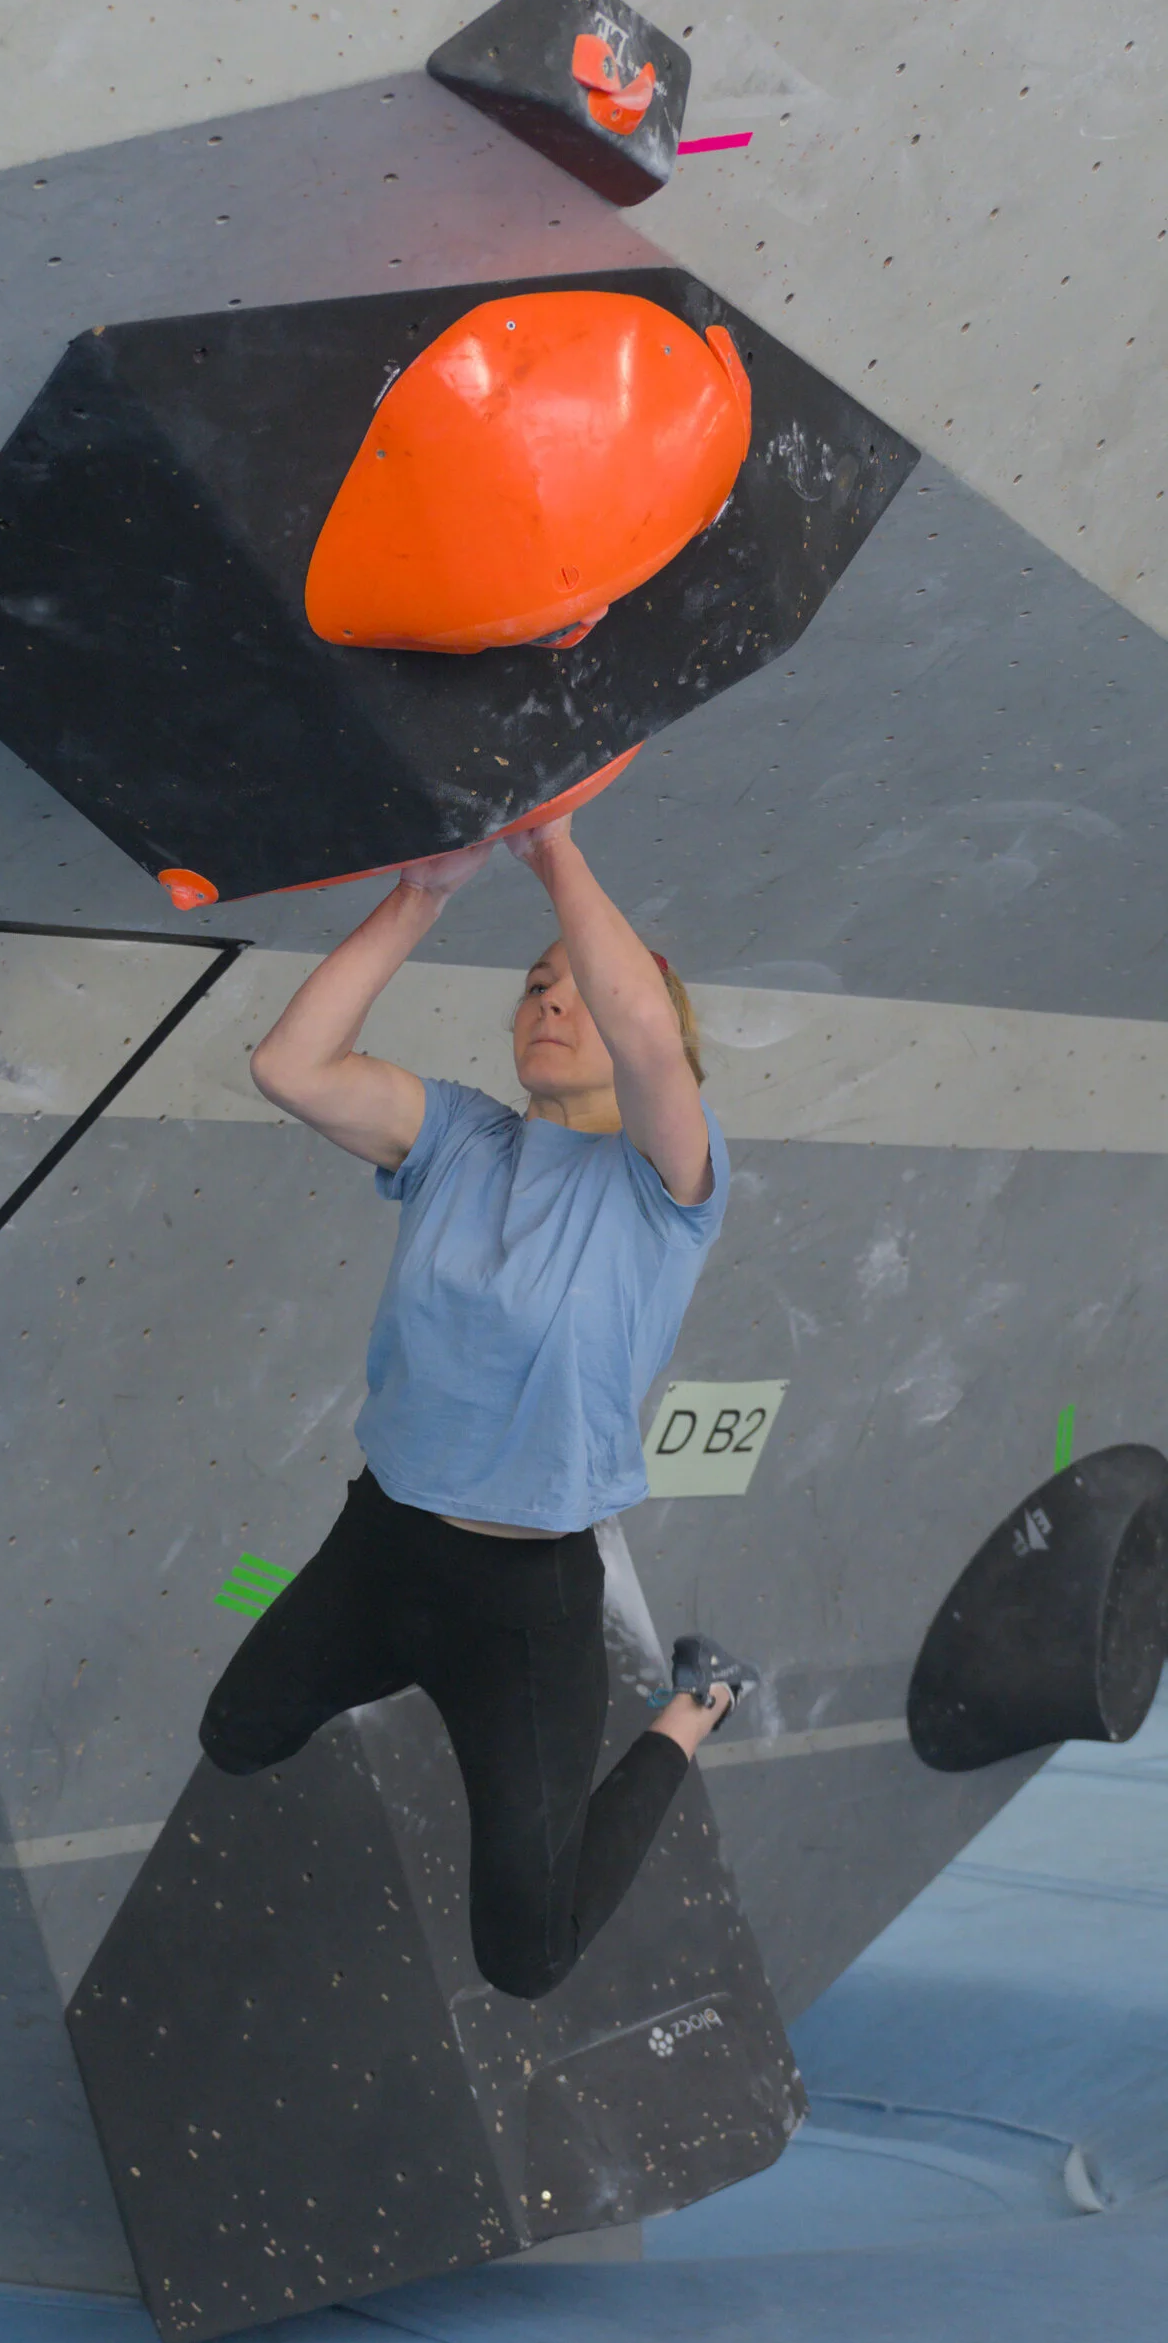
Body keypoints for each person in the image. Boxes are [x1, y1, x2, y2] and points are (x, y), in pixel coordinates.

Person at [198, 810, 758, 2001]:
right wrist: (423, 894)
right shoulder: (458, 1136)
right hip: (383, 1546)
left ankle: (696, 1708)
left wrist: (551, 848)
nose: (552, 1002)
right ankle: (401, 1665)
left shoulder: (669, 1186)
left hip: (521, 1603)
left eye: (578, 991)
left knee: (527, 1956)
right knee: (235, 1739)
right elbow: (288, 1069)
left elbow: (653, 1041)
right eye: (533, 988)